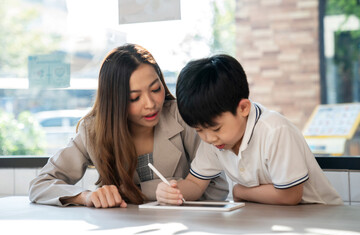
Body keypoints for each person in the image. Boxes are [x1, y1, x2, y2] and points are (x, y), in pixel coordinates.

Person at [29, 44, 228, 208]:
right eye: (134, 98)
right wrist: (85, 196)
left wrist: (139, 193)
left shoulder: (183, 117)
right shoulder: (93, 131)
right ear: (114, 102)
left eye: (155, 89)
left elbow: (217, 189)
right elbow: (40, 184)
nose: (150, 104)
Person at [155, 54, 343, 206]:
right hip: (275, 217)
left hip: (320, 214)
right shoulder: (216, 140)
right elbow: (195, 184)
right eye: (199, 130)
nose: (208, 138)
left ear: (243, 108)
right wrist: (172, 192)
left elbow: (290, 195)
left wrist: (240, 191)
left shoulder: (274, 130)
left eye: (216, 128)